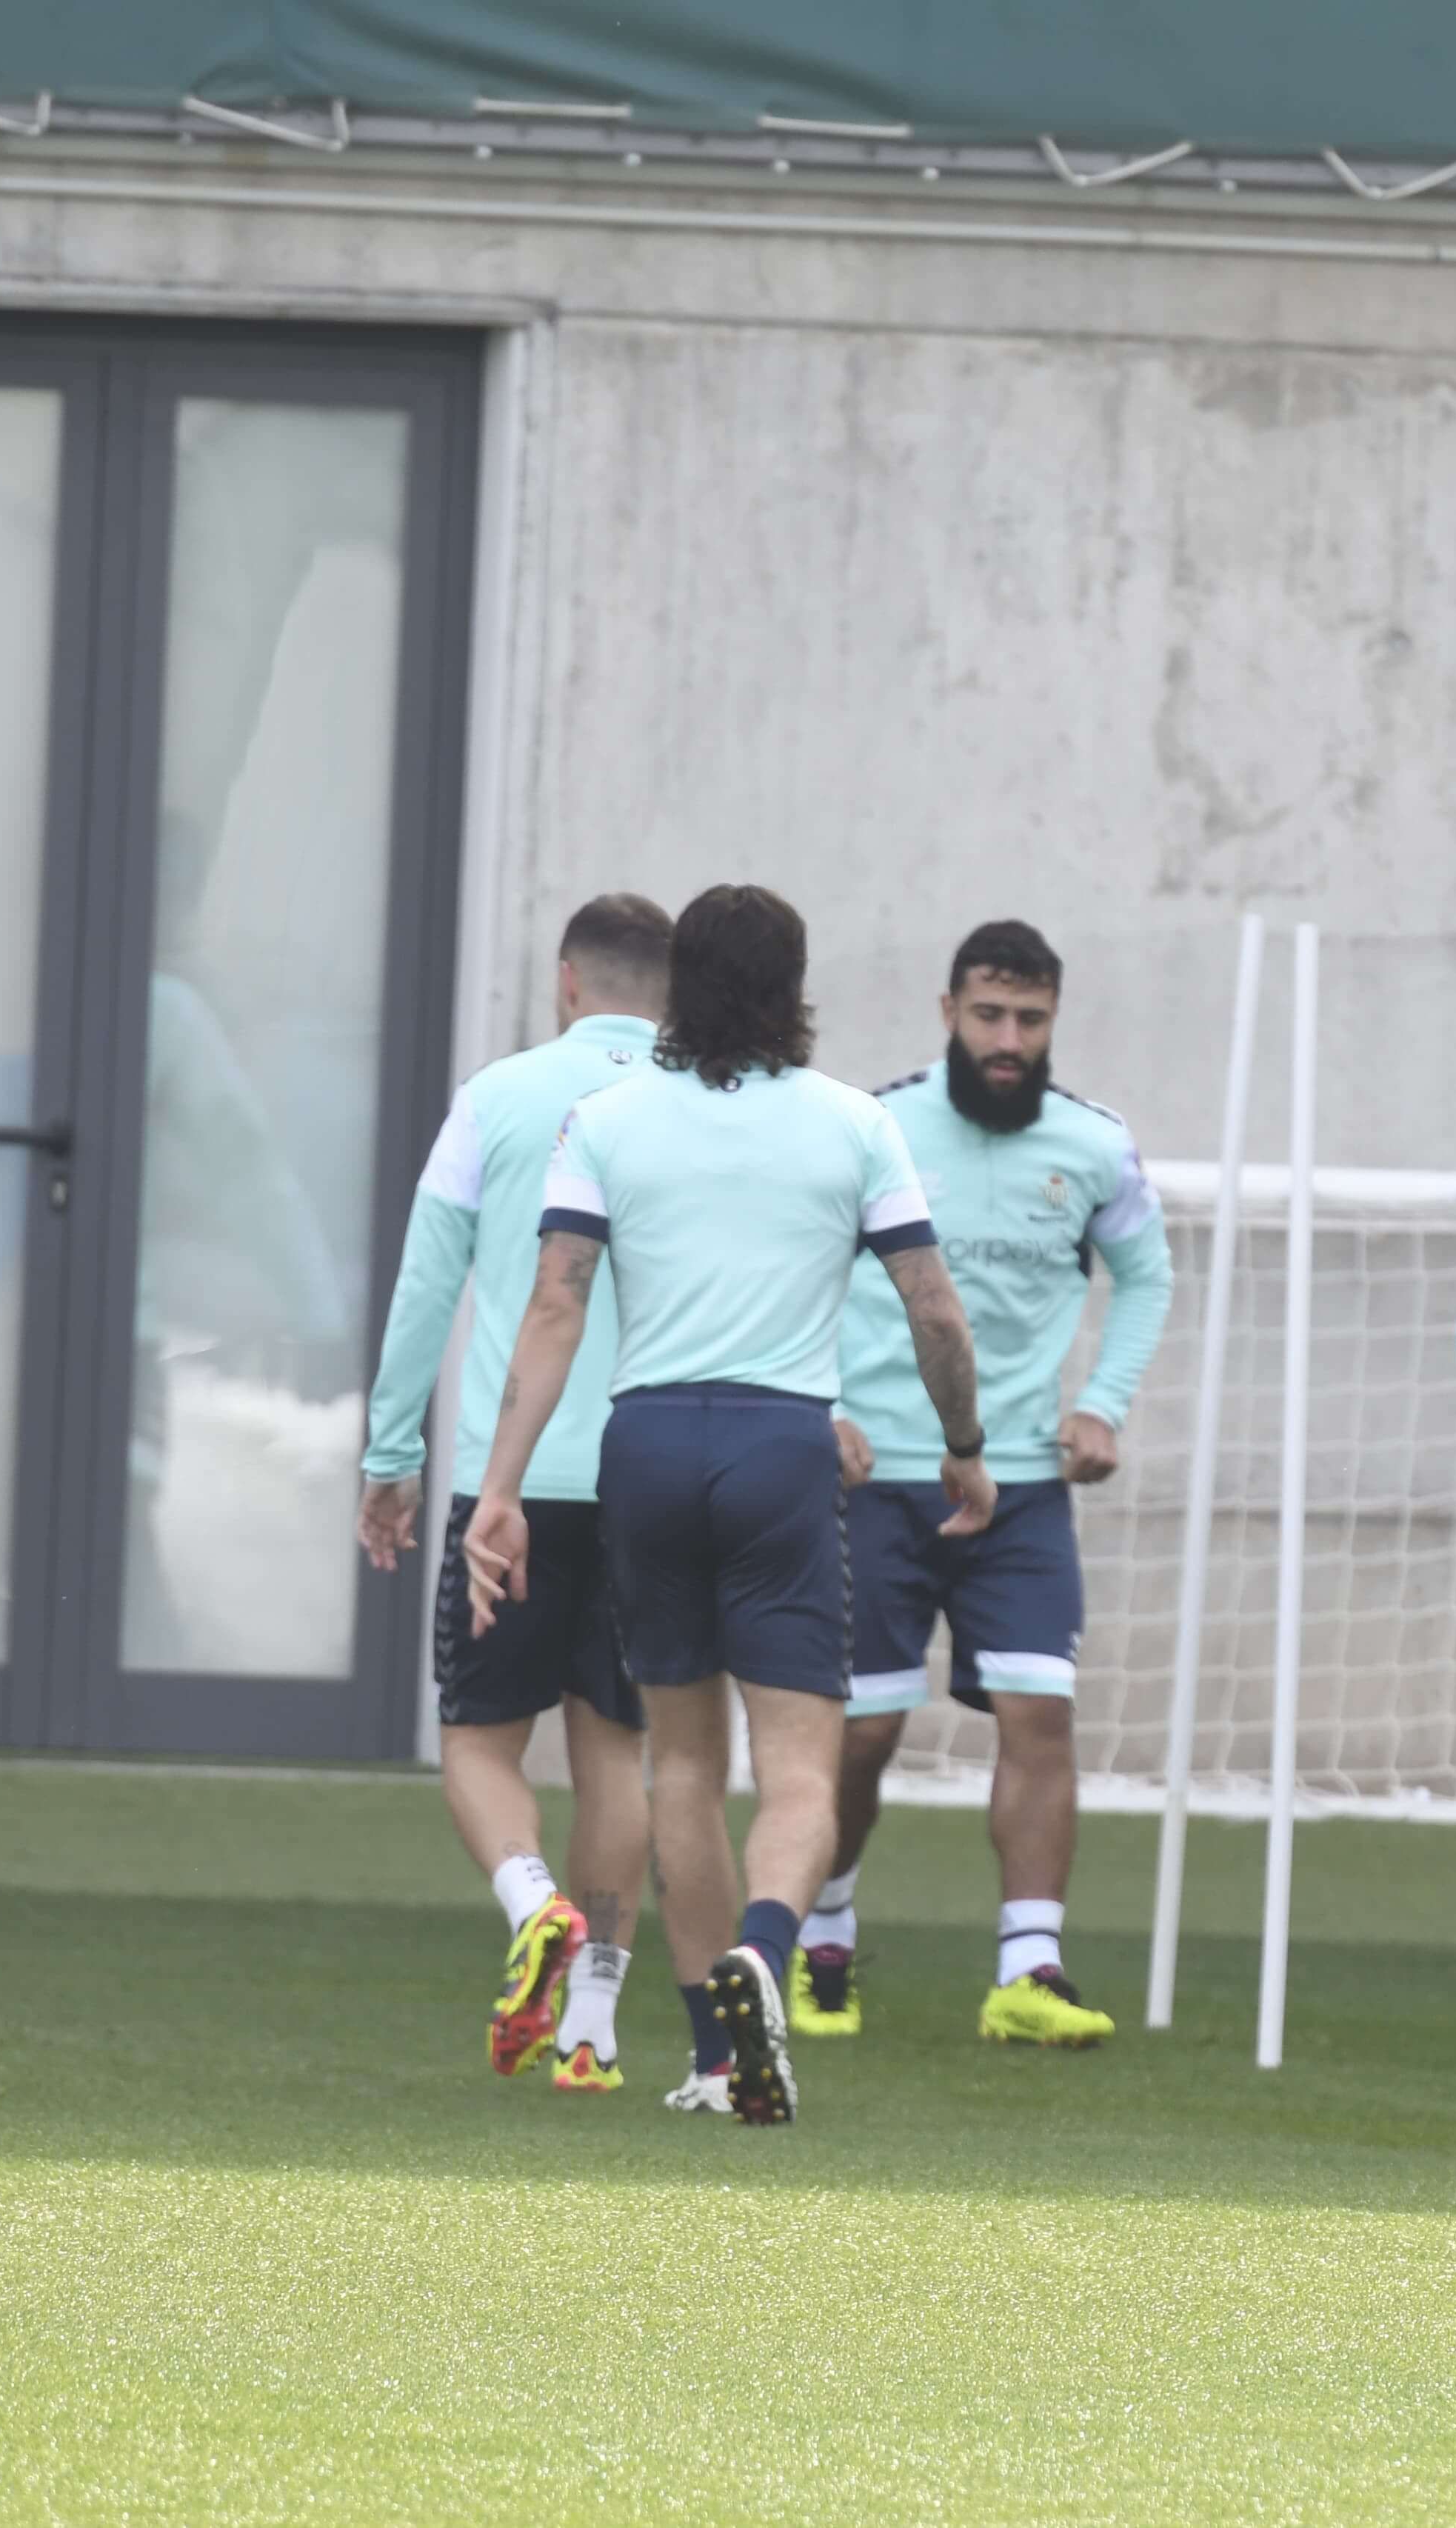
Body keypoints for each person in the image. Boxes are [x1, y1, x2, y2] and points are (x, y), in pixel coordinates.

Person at [464, 886, 995, 2126]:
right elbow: (933, 1308)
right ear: (795, 986)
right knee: (800, 1766)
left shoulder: (606, 1118)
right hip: (780, 1447)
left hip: (643, 1444)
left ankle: (713, 2051)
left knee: (685, 1764)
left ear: (679, 985)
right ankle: (767, 1949)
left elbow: (556, 1307)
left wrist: (500, 1487)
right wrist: (965, 1446)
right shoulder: (855, 1124)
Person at [809, 920, 1171, 2049]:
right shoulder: (873, 1127)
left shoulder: (1096, 1145)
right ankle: (825, 1935)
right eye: (989, 1016)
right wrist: (820, 1407)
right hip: (876, 1484)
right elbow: (796, 1266)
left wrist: (1102, 1400)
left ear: (1055, 1020)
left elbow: (1148, 1276)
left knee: (1038, 1711)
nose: (1009, 1041)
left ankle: (1030, 1969)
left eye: (1031, 1020)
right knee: (862, 1734)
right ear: (947, 1010)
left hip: (1019, 1487)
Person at [359, 895, 672, 2092]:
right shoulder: (693, 1106)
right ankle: (592, 2028)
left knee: (481, 1745)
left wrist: (391, 1454)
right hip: (647, 1481)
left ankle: (536, 1906)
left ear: (566, 982)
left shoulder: (494, 1098)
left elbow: (425, 1284)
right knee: (617, 1755)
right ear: (668, 994)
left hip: (515, 1481)